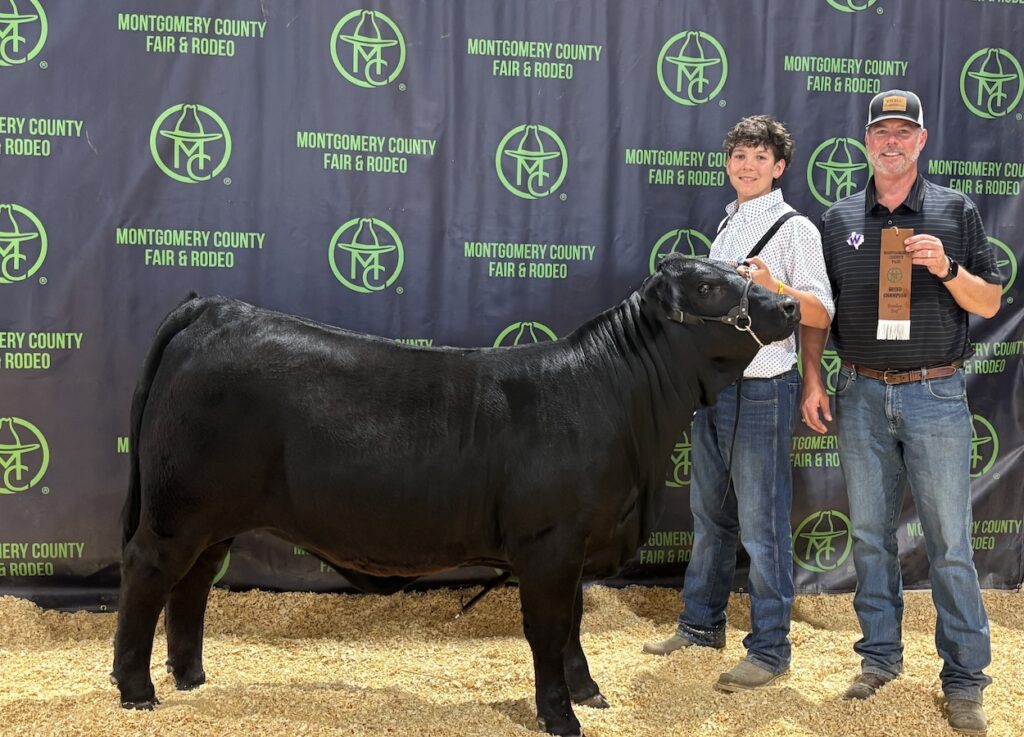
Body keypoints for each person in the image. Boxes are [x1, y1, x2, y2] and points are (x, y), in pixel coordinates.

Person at [801, 90, 1002, 735]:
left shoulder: (954, 210)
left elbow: (991, 302)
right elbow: (820, 312)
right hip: (859, 391)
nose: (891, 142)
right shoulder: (836, 219)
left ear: (920, 142)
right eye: (880, 131)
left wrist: (945, 268)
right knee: (868, 538)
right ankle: (880, 659)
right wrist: (812, 374)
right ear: (866, 141)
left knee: (949, 544)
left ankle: (966, 678)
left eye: (903, 132)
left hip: (934, 393)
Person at [643, 115, 834, 692]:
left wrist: (778, 290)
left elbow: (821, 312)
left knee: (763, 525)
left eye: (759, 157)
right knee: (711, 518)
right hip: (714, 389)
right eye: (738, 156)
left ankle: (771, 650)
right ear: (728, 163)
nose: (746, 165)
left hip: (762, 389)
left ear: (779, 167)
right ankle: (701, 624)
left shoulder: (795, 229)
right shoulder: (725, 229)